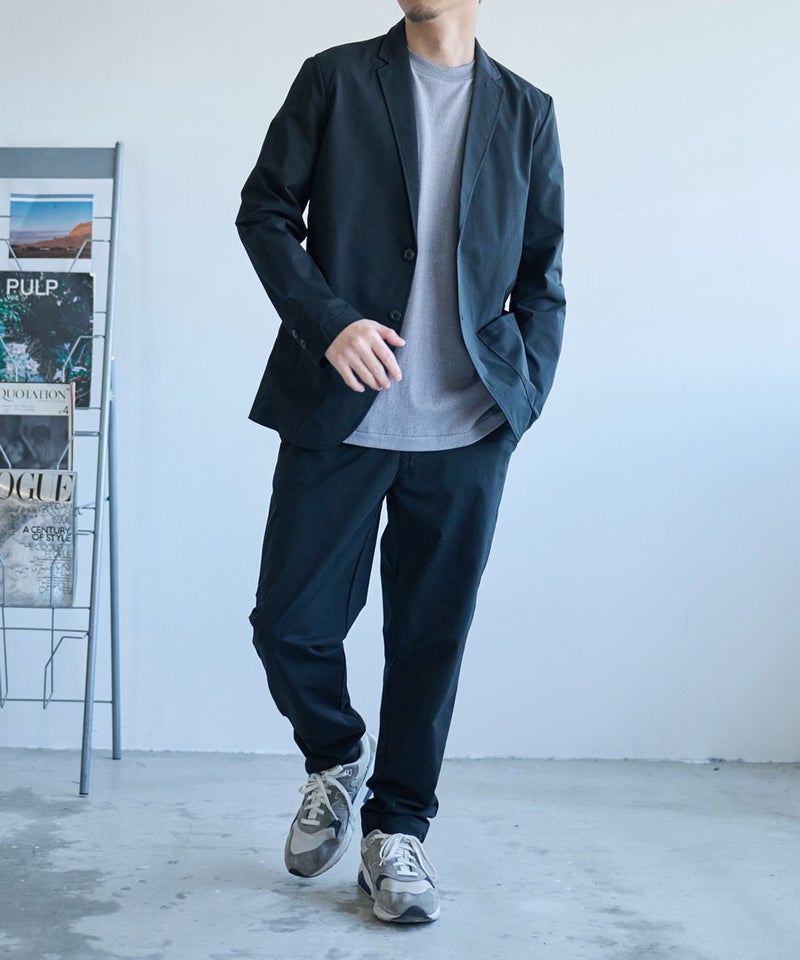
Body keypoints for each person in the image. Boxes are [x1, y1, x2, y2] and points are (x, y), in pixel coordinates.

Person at [236, 0, 565, 925]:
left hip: (466, 427)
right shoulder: (336, 78)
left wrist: (521, 398)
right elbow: (265, 212)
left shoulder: (527, 110)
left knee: (429, 642)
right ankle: (337, 756)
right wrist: (328, 321)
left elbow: (542, 275)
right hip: (339, 417)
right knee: (288, 624)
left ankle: (397, 831)